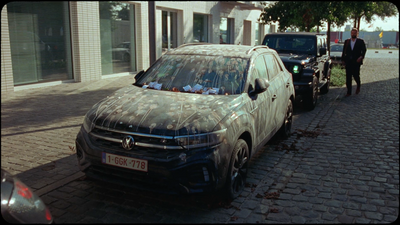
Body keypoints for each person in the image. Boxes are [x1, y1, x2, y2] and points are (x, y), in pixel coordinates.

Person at [341, 28, 367, 96]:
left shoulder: (360, 41)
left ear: (357, 34)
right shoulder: (347, 41)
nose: (353, 34)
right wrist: (343, 60)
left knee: (356, 76)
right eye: (352, 33)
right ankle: (349, 92)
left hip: (356, 62)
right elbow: (344, 51)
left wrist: (361, 57)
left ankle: (358, 85)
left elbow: (364, 50)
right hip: (348, 62)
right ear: (351, 33)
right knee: (348, 78)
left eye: (355, 33)